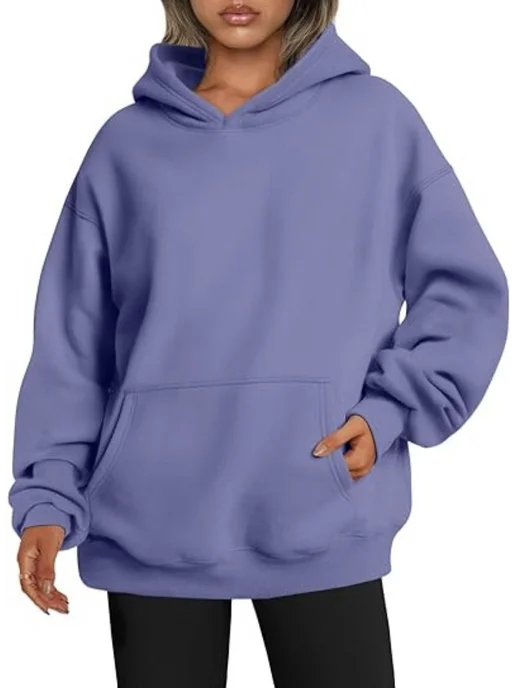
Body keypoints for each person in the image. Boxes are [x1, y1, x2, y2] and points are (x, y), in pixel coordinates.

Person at [8, 0, 508, 686]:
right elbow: (73, 342)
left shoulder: (377, 122)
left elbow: (465, 293)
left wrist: (388, 411)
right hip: (151, 521)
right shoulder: (126, 145)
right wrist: (47, 498)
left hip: (321, 506)